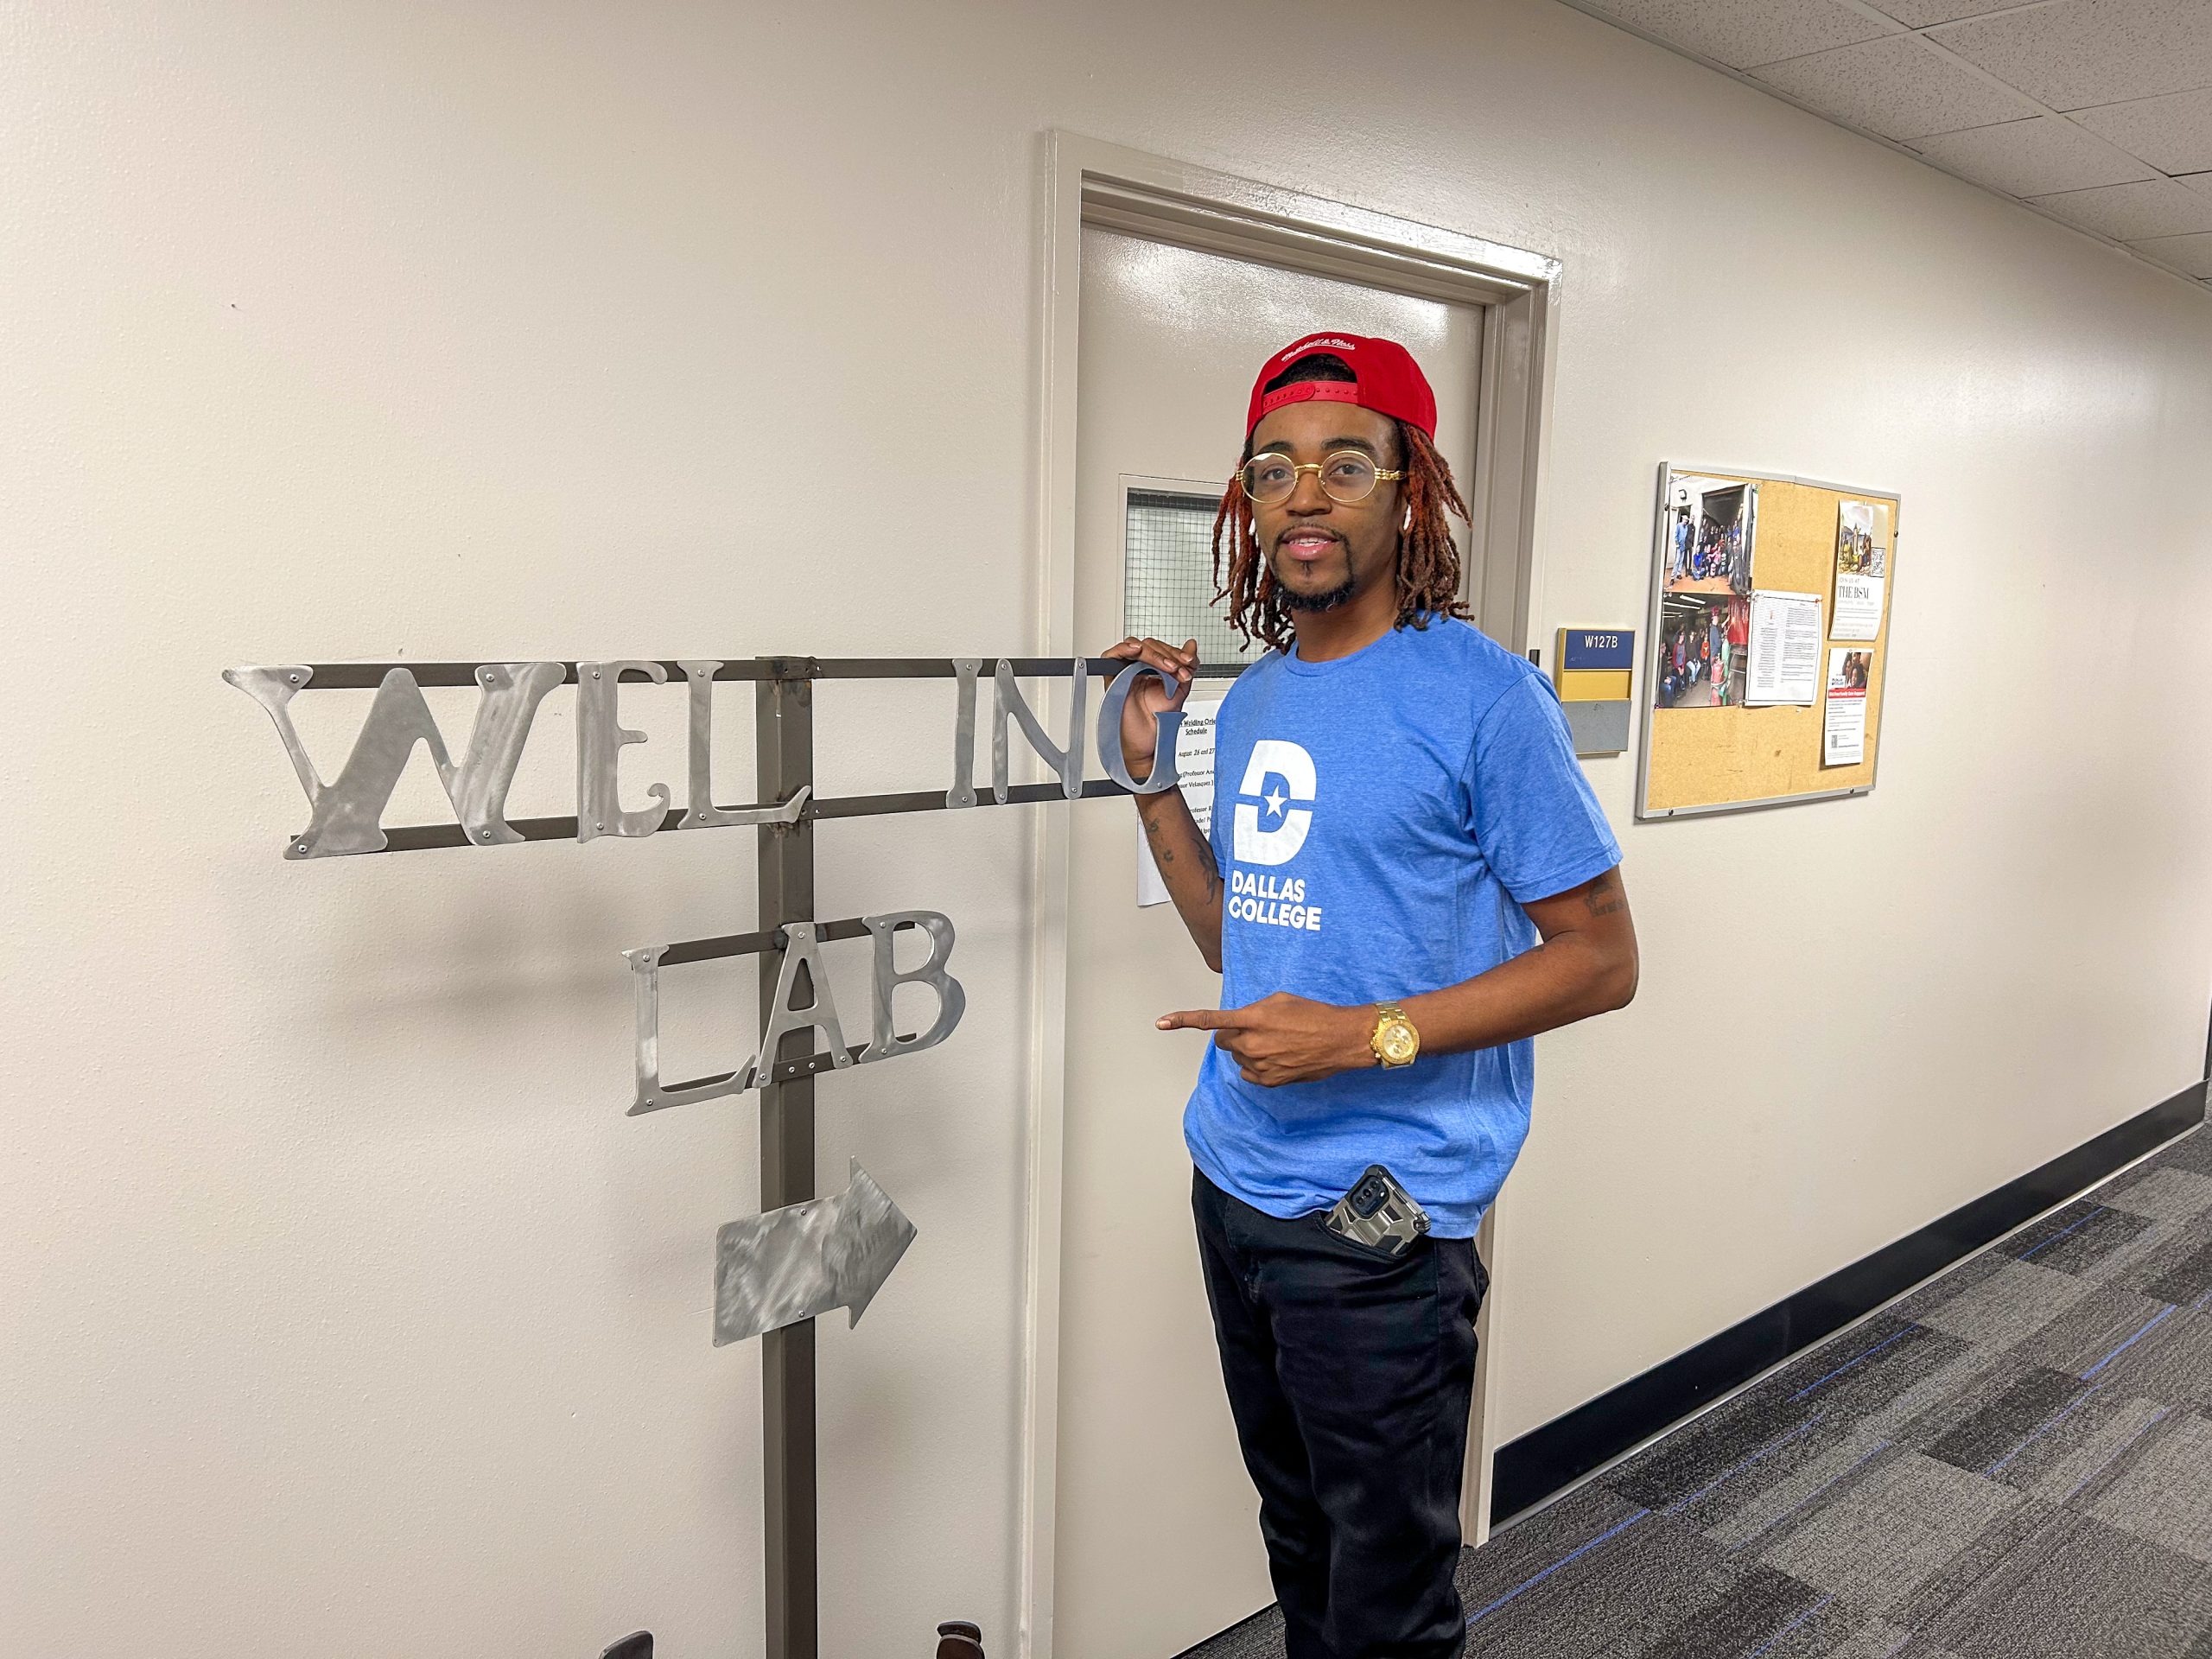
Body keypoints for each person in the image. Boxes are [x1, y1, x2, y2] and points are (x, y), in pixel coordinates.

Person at [1102, 334, 1639, 1659]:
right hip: (1237, 1181)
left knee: (1387, 1595)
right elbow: (1246, 941)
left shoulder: (1486, 698)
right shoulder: (1269, 693)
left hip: (1379, 1225)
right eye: (1274, 469)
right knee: (1299, 1543)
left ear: (1409, 494)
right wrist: (1155, 779)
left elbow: (1602, 959)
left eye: (1348, 463)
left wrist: (1363, 1036)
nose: (1306, 496)